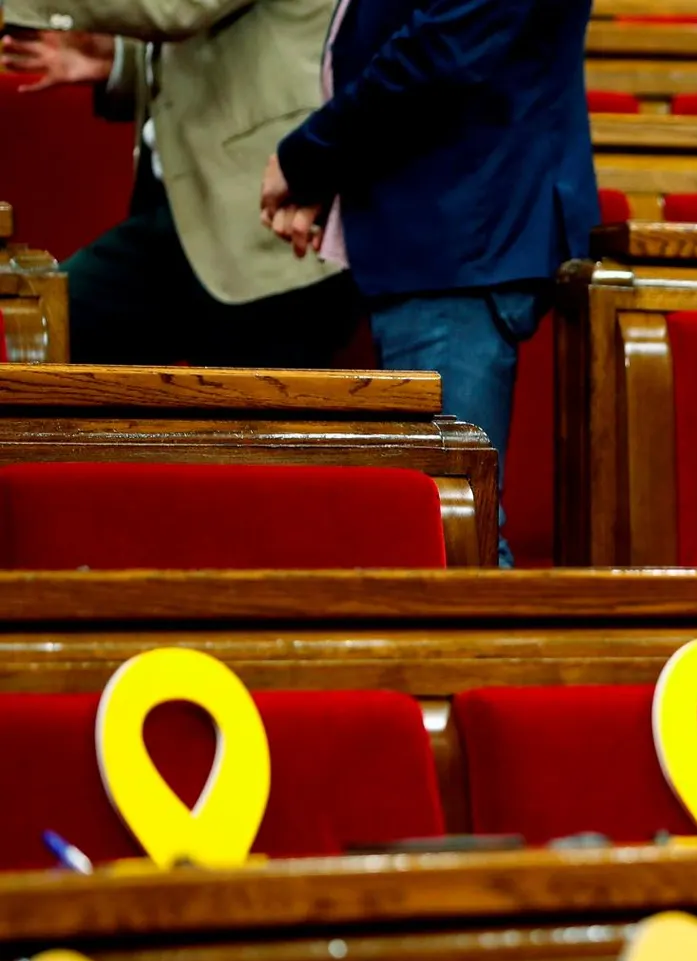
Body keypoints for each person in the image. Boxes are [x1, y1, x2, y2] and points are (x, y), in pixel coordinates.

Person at [257, 0, 598, 566]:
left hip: (465, 230)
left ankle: (486, 659)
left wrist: (310, 157)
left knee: (451, 536)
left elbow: (448, 47)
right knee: (438, 526)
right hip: (449, 226)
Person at [0, 0, 358, 367]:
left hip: (271, 226)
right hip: (184, 215)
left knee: (250, 417)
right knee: (50, 331)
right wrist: (121, 63)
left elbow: (178, 8)